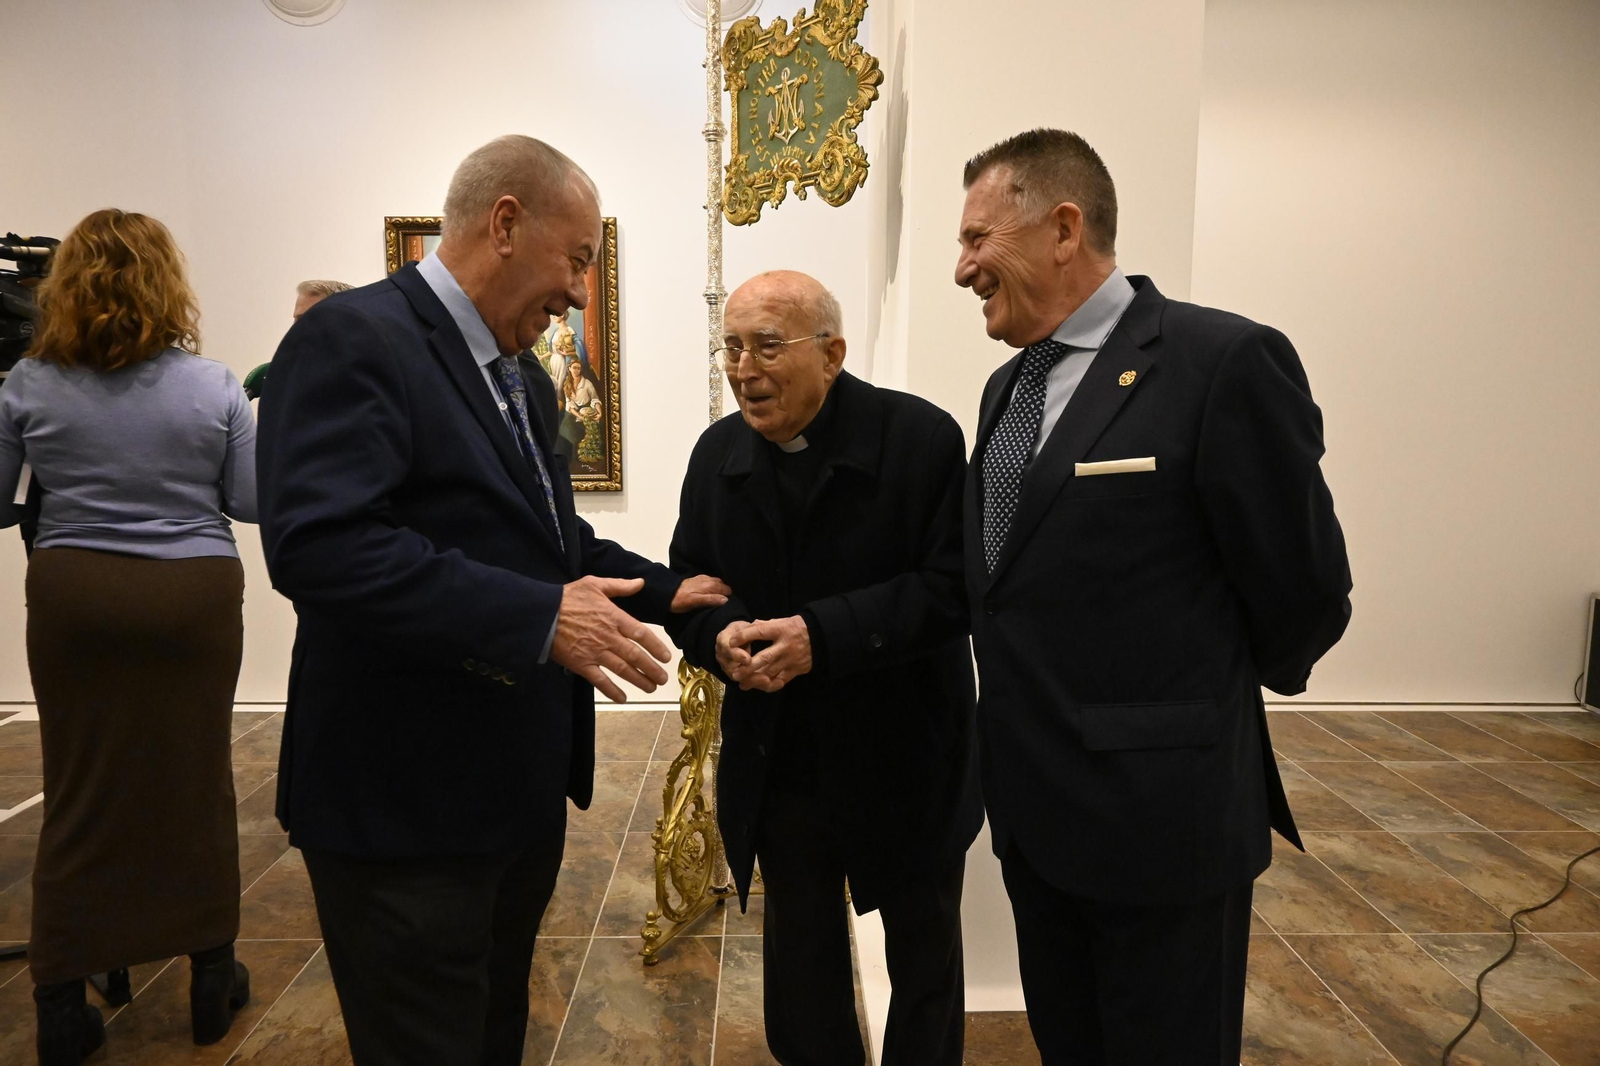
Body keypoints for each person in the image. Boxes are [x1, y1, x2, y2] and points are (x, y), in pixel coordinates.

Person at [255, 134, 729, 1066]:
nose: (583, 293)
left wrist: (683, 595)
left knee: (491, 1032)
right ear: (504, 222)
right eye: (579, 259)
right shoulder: (351, 338)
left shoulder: (522, 376)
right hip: (402, 807)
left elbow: (555, 544)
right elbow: (322, 546)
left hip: (507, 797)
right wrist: (538, 616)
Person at [954, 128, 1353, 1065]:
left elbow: (1305, 588)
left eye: (977, 240)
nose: (962, 268)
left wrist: (1193, 711)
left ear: (1062, 227)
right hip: (1036, 813)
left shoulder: (1222, 362)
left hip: (1162, 824)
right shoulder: (1006, 389)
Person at [668, 271, 980, 1066]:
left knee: (924, 961)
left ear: (833, 353)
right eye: (732, 347)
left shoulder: (922, 441)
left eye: (768, 345)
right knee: (801, 966)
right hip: (784, 761)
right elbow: (692, 585)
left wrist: (822, 636)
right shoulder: (717, 455)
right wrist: (718, 638)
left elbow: (954, 592)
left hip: (906, 750)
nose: (743, 369)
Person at [0, 209, 258, 1064]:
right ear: (166, 284)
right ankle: (211, 971)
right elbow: (251, 499)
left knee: (79, 784)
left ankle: (61, 996)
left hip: (78, 599)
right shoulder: (215, 385)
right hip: (193, 596)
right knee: (195, 777)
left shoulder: (27, 386)